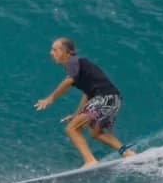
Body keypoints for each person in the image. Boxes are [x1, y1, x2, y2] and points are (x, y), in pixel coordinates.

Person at [34, 37, 135, 167]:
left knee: (71, 129)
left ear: (66, 52)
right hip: (113, 99)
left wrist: (50, 98)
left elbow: (68, 81)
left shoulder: (72, 62)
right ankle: (127, 152)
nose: (51, 53)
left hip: (104, 98)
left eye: (55, 50)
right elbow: (87, 93)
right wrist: (76, 114)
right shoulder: (78, 65)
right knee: (96, 133)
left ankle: (90, 160)